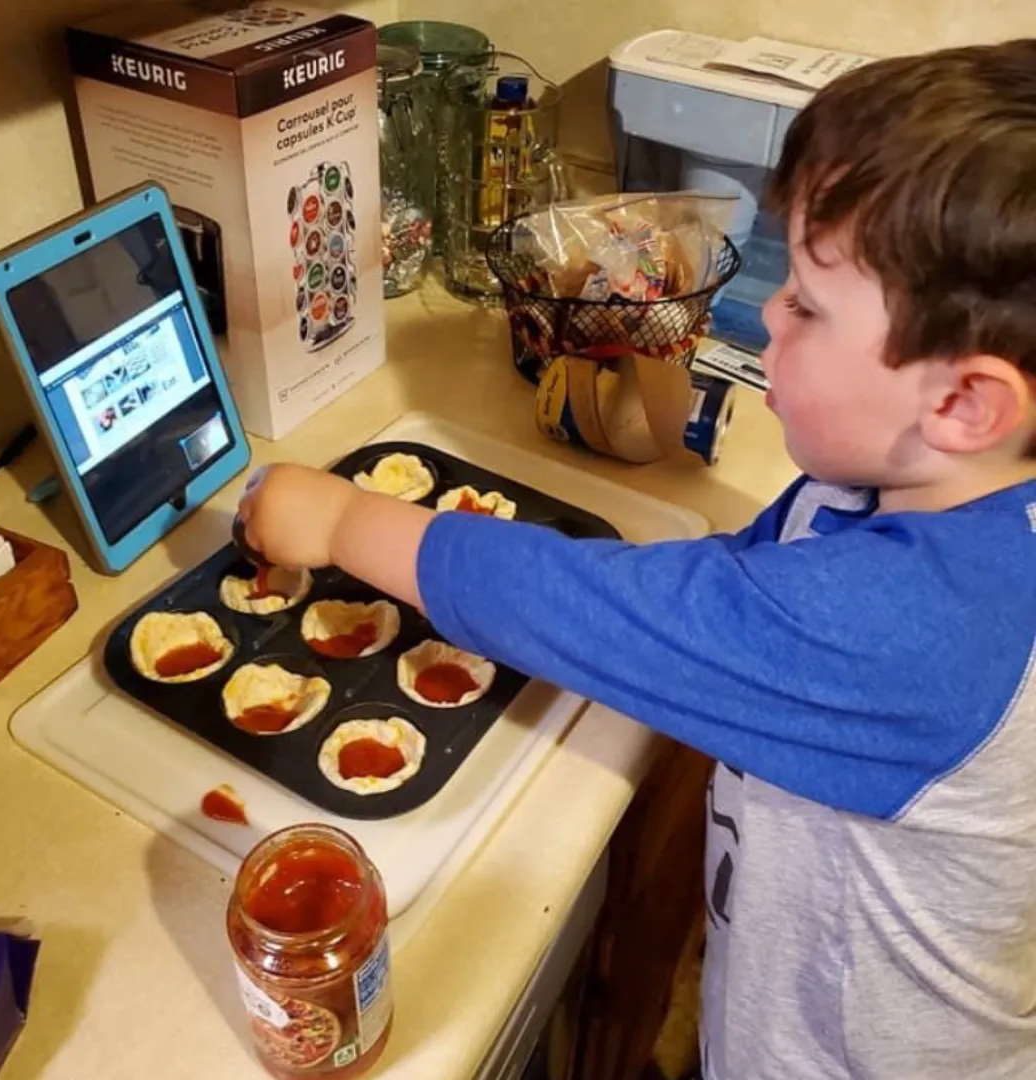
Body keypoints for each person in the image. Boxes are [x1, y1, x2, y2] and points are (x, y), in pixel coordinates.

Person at [238, 41, 1036, 1080]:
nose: (770, 318)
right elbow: (737, 584)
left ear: (964, 406)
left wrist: (343, 521)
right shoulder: (924, 493)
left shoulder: (922, 626)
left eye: (806, 304)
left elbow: (580, 609)